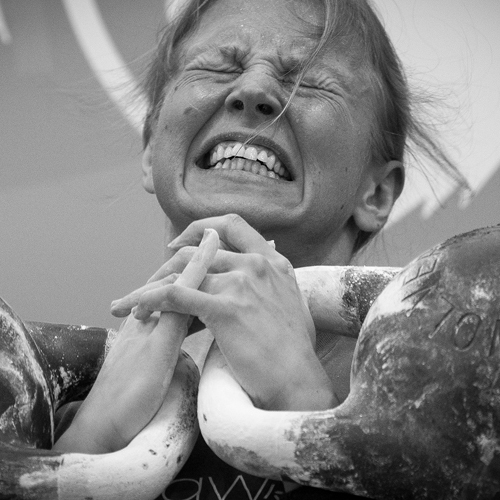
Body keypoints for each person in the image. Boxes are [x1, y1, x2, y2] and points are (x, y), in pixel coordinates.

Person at [53, 0, 466, 498]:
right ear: (150, 148)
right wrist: (87, 447)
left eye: (308, 81)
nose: (253, 91)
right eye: (217, 66)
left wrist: (303, 404)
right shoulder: (43, 400)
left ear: (375, 193)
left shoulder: (448, 402)